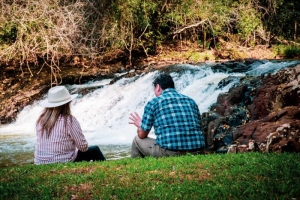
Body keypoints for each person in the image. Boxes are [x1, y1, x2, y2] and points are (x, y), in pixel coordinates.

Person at [129, 73, 205, 158]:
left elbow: (142, 135)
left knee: (137, 140)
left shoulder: (154, 102)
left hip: (170, 152)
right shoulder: (191, 101)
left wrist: (140, 125)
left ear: (157, 87)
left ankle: (138, 168)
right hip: (197, 151)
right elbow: (199, 126)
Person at [34, 85, 105, 164]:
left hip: (39, 162)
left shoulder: (41, 120)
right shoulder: (69, 120)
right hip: (62, 161)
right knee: (94, 150)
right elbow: (83, 147)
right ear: (67, 104)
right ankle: (106, 169)